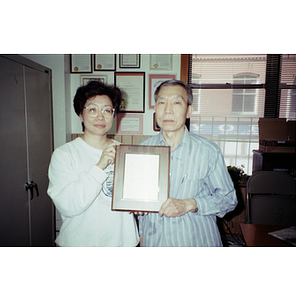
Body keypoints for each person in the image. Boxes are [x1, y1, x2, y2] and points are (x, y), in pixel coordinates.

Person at [138, 80, 237, 246]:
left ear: (188, 110)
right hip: (154, 241)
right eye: (162, 102)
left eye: (176, 102)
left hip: (196, 242)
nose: (168, 110)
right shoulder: (142, 150)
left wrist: (190, 204)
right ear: (155, 109)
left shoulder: (208, 151)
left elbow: (229, 199)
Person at [47, 80, 139, 247]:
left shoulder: (126, 152)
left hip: (122, 243)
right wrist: (100, 166)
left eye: (107, 110)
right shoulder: (64, 155)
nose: (100, 116)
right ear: (80, 114)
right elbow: (69, 206)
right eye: (92, 109)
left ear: (113, 114)